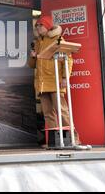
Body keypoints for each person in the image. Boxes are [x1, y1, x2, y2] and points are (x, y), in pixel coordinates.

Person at [28, 15, 81, 146]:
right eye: (37, 26)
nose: (38, 28)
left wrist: (64, 77)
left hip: (55, 81)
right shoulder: (37, 43)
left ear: (47, 26)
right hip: (42, 83)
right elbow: (31, 65)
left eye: (40, 25)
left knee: (62, 112)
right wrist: (33, 57)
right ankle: (55, 141)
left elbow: (67, 60)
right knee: (48, 115)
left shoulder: (58, 40)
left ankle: (74, 139)